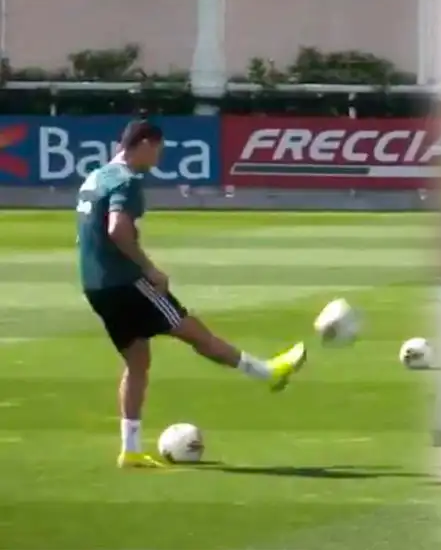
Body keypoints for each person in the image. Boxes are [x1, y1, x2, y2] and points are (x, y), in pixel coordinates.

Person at [76, 119, 308, 469]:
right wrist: (149, 268)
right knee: (193, 331)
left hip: (96, 287)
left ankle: (132, 449)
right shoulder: (128, 180)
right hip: (126, 282)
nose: (159, 157)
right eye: (158, 149)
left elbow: (86, 231)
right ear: (145, 143)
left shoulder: (95, 177)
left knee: (138, 362)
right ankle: (267, 372)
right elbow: (117, 228)